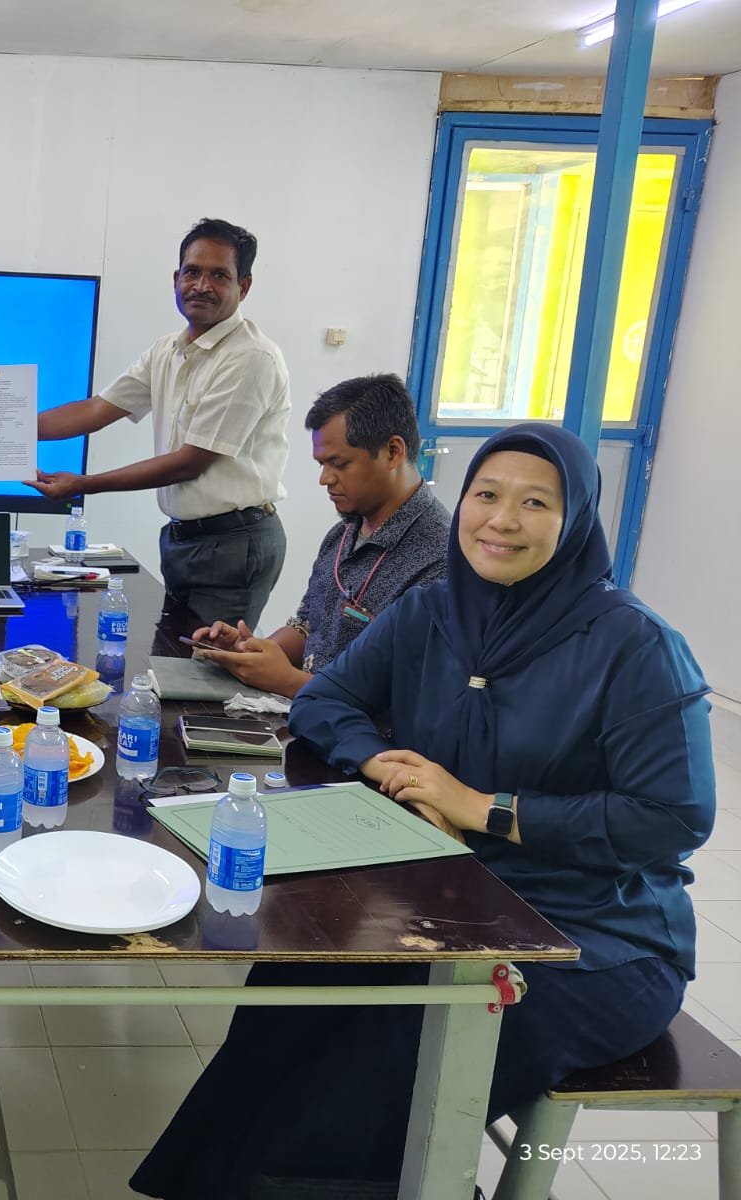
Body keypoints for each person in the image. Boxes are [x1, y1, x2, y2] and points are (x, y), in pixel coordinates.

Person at [132, 423, 714, 1199]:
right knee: (284, 1007)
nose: (501, 520)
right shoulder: (434, 612)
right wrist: (383, 763)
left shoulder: (634, 647)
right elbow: (326, 702)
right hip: (441, 895)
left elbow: (672, 817)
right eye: (487, 494)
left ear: (575, 518)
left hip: (585, 939)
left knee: (359, 1092)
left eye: (535, 503)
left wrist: (482, 808)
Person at [28, 217, 291, 628]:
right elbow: (97, 410)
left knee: (208, 662)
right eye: (192, 272)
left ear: (244, 287)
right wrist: (7, 429)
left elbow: (189, 462)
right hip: (185, 539)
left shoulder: (250, 358)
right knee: (177, 655)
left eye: (219, 275)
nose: (201, 285)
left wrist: (84, 484)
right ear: (176, 278)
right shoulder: (167, 350)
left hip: (233, 542)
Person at [190, 373, 449, 698]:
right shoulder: (343, 534)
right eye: (322, 464)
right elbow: (308, 626)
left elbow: (405, 699)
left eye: (339, 464)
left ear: (393, 452)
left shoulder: (440, 561)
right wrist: (252, 652)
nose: (325, 479)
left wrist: (286, 681)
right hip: (309, 710)